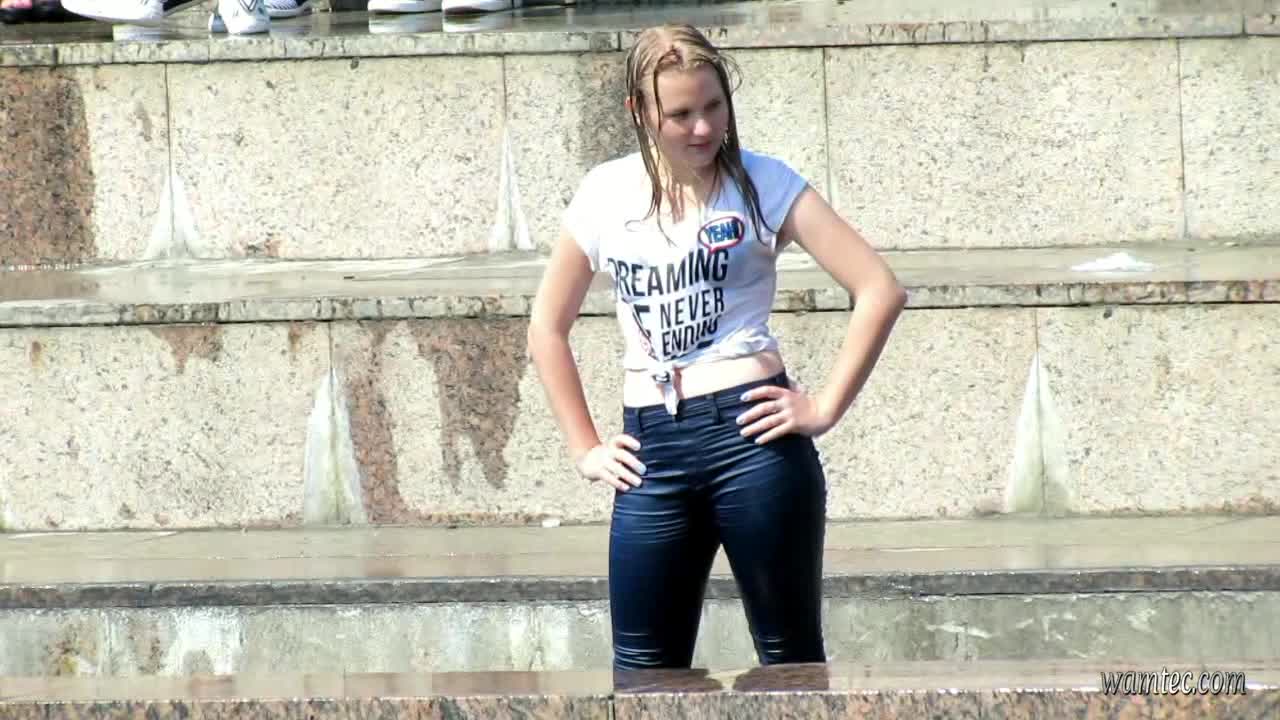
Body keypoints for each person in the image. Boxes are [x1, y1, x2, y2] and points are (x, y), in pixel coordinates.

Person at [527, 23, 908, 671]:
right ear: (639, 112)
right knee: (642, 672)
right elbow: (546, 326)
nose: (703, 128)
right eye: (680, 114)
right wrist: (584, 448)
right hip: (652, 451)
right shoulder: (605, 193)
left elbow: (879, 288)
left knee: (790, 663)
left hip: (753, 441)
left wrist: (823, 408)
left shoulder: (763, 181)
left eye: (713, 106)